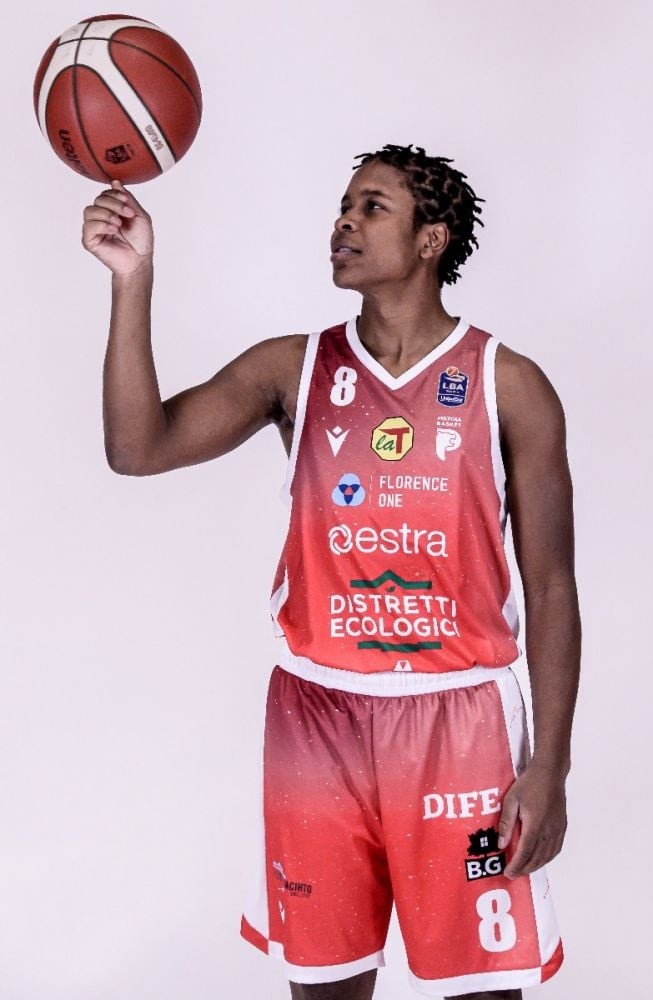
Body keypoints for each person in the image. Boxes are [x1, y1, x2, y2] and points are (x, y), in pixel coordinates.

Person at [81, 142, 581, 999]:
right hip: (316, 716)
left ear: (430, 240)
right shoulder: (293, 368)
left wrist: (550, 768)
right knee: (323, 984)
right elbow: (137, 448)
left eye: (371, 207)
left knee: (480, 989)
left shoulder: (510, 384)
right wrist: (133, 279)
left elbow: (553, 588)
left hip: (459, 722)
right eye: (343, 206)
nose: (343, 223)